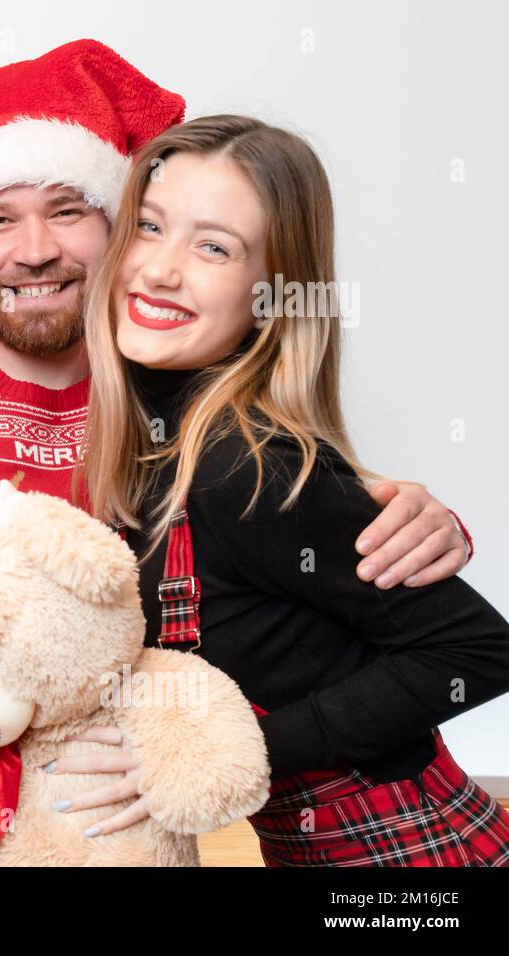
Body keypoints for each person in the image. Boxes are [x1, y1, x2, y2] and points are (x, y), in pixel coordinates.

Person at [0, 40, 477, 865]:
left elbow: (294, 527)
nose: (34, 248)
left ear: (116, 231)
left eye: (69, 209)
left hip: (119, 831)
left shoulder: (177, 400)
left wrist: (414, 523)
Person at [64, 113, 509, 865]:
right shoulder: (157, 451)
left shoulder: (246, 462)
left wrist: (231, 755)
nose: (160, 270)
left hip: (409, 857)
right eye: (148, 226)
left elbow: (479, 652)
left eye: (214, 248)